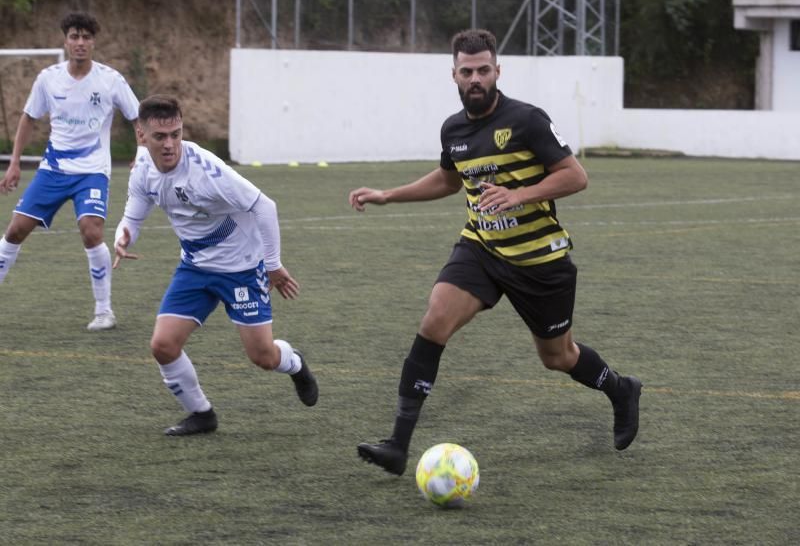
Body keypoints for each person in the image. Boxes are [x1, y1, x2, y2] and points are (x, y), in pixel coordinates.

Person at [349, 29, 641, 475]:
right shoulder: (453, 129)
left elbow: (575, 176)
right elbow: (449, 179)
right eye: (467, 71)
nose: (475, 78)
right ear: (454, 75)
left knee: (557, 357)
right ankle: (397, 446)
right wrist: (389, 195)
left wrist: (519, 194)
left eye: (483, 69)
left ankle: (620, 389)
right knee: (434, 321)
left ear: (497, 71)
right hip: (482, 248)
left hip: (539, 261)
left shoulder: (527, 120)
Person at [113, 95, 318, 436]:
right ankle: (202, 414)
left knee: (263, 357)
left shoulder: (208, 171)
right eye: (160, 137)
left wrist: (273, 265)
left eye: (176, 134)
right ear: (141, 135)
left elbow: (264, 207)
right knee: (162, 346)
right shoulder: (143, 171)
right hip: (194, 267)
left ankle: (294, 363)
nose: (169, 144)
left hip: (240, 267)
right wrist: (122, 239)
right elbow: (132, 218)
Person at [0, 12, 139, 331]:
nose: (80, 42)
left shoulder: (110, 79)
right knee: (15, 230)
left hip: (91, 172)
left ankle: (104, 311)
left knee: (91, 231)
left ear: (93, 42)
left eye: (86, 37)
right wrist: (15, 162)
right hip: (53, 170)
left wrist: (140, 152)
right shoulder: (48, 78)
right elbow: (28, 118)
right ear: (65, 41)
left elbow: (137, 116)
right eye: (74, 36)